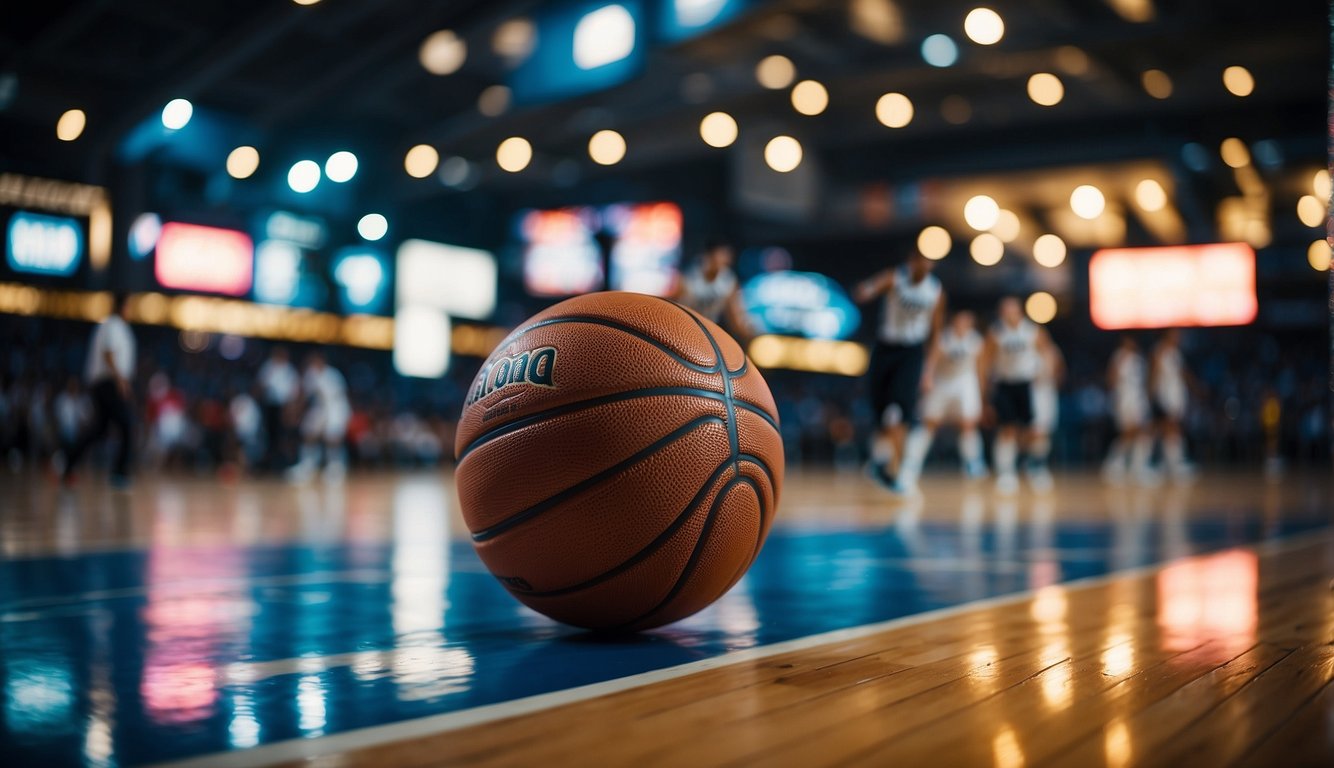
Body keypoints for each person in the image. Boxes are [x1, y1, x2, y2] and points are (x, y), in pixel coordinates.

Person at [854, 253, 944, 494]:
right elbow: (867, 289)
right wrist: (867, 289)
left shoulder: (935, 291)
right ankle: (880, 463)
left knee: (899, 413)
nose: (924, 265)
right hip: (885, 349)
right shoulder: (895, 278)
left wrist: (929, 371)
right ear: (911, 261)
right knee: (880, 411)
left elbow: (935, 335)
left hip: (911, 352)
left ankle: (901, 471)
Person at [894, 310, 986, 495]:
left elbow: (981, 367)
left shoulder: (975, 340)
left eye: (966, 321)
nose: (962, 324)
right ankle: (910, 467)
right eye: (960, 320)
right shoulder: (944, 338)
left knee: (968, 423)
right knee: (929, 423)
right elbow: (932, 360)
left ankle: (973, 463)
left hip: (964, 382)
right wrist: (927, 377)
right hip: (942, 382)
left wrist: (982, 393)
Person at [980, 296, 1054, 494]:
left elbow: (1047, 352)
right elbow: (985, 361)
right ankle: (1006, 473)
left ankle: (1035, 467)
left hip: (1027, 384)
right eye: (1004, 310)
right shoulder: (996, 333)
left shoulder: (1032, 330)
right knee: (1007, 429)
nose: (1008, 314)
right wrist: (984, 391)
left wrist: (1044, 371)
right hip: (1005, 384)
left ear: (1019, 311)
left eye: (1011, 310)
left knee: (1033, 429)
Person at [62, 293, 136, 487]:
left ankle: (68, 463)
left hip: (107, 382)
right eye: (130, 305)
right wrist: (120, 380)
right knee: (126, 424)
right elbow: (108, 354)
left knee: (100, 430)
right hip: (107, 382)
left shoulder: (117, 327)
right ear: (122, 306)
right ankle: (119, 473)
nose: (132, 310)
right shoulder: (112, 325)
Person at [286, 351, 350, 482]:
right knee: (309, 433)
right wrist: (296, 411)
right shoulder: (311, 374)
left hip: (336, 407)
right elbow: (304, 394)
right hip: (320, 407)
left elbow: (339, 395)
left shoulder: (333, 374)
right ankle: (307, 466)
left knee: (333, 438)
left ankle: (335, 467)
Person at [1102, 335, 1154, 484]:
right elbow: (1111, 380)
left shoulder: (1138, 358)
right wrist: (1117, 400)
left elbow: (1143, 381)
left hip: (1138, 399)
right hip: (1124, 400)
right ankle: (1114, 464)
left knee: (1143, 433)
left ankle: (1137, 468)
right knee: (1129, 433)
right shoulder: (1118, 356)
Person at [674, 239, 751, 337]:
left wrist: (749, 335)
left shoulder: (728, 280)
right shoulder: (688, 275)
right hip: (684, 326)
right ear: (709, 255)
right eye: (722, 254)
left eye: (727, 256)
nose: (725, 259)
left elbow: (735, 317)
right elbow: (676, 304)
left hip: (708, 329)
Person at [1149, 329, 1195, 480]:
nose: (1179, 337)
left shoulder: (1176, 353)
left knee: (1171, 430)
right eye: (1176, 334)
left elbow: (1183, 374)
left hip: (1177, 395)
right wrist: (1152, 395)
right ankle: (1173, 465)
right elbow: (1154, 374)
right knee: (1170, 428)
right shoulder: (1160, 351)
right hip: (1165, 395)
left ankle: (1167, 464)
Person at [1028, 334, 1065, 490]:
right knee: (1036, 431)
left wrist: (1055, 382)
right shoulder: (1029, 352)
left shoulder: (1053, 352)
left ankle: (1037, 463)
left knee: (1045, 430)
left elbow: (1060, 371)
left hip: (1047, 393)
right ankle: (1035, 465)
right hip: (1033, 394)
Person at [256, 346, 300, 470]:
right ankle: (271, 463)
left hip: (285, 407)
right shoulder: (268, 367)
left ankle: (286, 462)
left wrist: (291, 409)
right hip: (270, 406)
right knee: (271, 435)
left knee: (285, 436)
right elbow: (261, 386)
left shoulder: (289, 370)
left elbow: (294, 391)